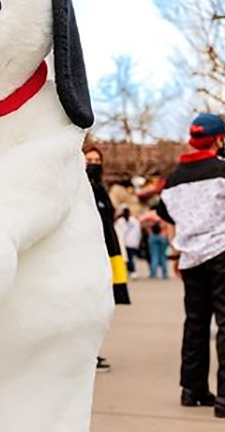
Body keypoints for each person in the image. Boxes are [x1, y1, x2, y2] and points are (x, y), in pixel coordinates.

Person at [157, 113, 225, 419]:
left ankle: (193, 389)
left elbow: (165, 216)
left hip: (192, 258)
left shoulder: (173, 179)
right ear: (219, 139)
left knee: (196, 323)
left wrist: (179, 249)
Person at [85, 144, 130, 374]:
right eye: (88, 159)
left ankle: (93, 351)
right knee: (87, 307)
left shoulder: (102, 191)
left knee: (103, 306)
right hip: (86, 256)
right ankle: (85, 355)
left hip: (108, 253)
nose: (93, 163)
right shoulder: (78, 190)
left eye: (96, 160)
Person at [117, 207, 142, 278]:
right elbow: (139, 233)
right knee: (129, 258)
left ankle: (132, 271)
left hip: (126, 243)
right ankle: (130, 271)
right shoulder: (134, 220)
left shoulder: (121, 221)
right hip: (132, 243)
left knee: (128, 258)